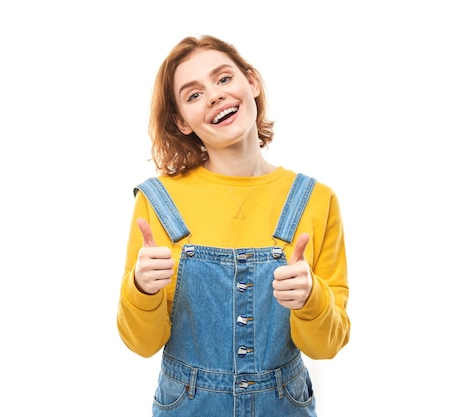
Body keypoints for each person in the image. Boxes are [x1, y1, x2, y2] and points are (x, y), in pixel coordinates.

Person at [116, 34, 350, 417]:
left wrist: (311, 298)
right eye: (193, 95)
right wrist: (141, 287)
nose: (213, 96)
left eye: (223, 79)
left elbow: (327, 345)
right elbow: (141, 344)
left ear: (251, 82)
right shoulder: (158, 202)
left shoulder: (316, 199)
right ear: (182, 122)